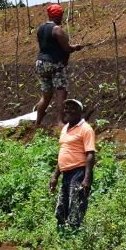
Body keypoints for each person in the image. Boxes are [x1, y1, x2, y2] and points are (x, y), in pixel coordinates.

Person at [48, 99, 96, 232]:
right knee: (62, 206)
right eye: (66, 108)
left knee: (75, 205)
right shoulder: (65, 128)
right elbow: (64, 152)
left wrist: (86, 179)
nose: (68, 110)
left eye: (72, 108)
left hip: (79, 171)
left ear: (80, 112)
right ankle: (62, 235)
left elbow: (90, 154)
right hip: (66, 173)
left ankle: (74, 236)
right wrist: (55, 175)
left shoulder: (86, 129)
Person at [35, 4, 83, 127]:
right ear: (60, 15)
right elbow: (67, 49)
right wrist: (75, 47)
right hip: (54, 64)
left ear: (49, 15)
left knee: (46, 96)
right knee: (61, 92)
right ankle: (60, 122)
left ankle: (37, 123)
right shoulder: (57, 29)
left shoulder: (40, 28)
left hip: (40, 63)